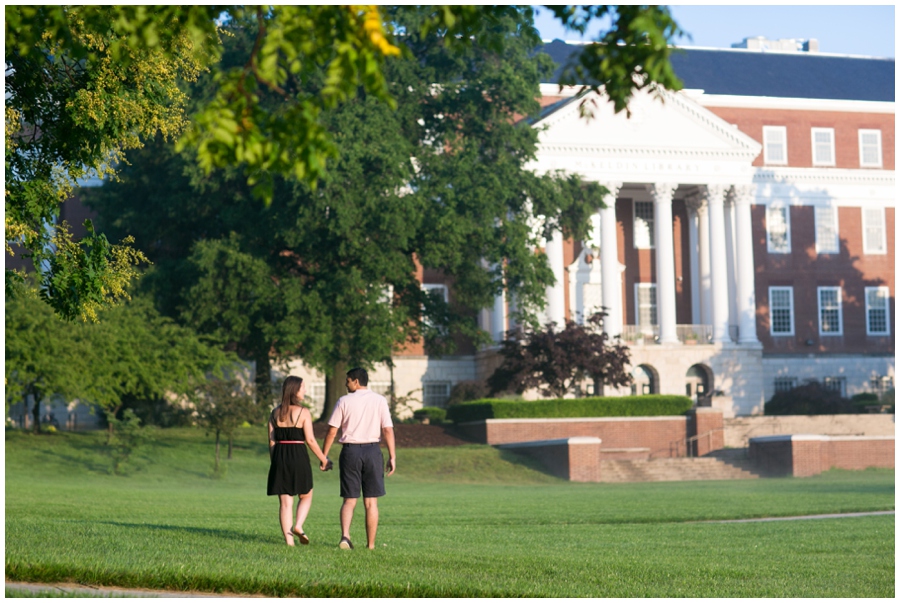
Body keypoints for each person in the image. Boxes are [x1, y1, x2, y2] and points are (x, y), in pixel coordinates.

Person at [322, 367, 396, 550]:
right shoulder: (379, 401)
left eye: (347, 381)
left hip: (350, 452)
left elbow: (332, 431)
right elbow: (387, 430)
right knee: (371, 502)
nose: (346, 385)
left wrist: (324, 455)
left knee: (349, 499)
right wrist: (392, 456)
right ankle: (370, 545)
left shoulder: (344, 401)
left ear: (356, 381)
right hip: (372, 451)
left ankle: (345, 537)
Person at [267, 376, 329, 546]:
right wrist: (324, 459)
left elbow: (272, 441)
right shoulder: (303, 412)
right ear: (295, 390)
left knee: (285, 502)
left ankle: (289, 542)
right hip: (298, 455)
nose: (305, 391)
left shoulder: (274, 413)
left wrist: (276, 463)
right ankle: (299, 526)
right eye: (303, 388)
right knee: (306, 494)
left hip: (280, 456)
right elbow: (310, 440)